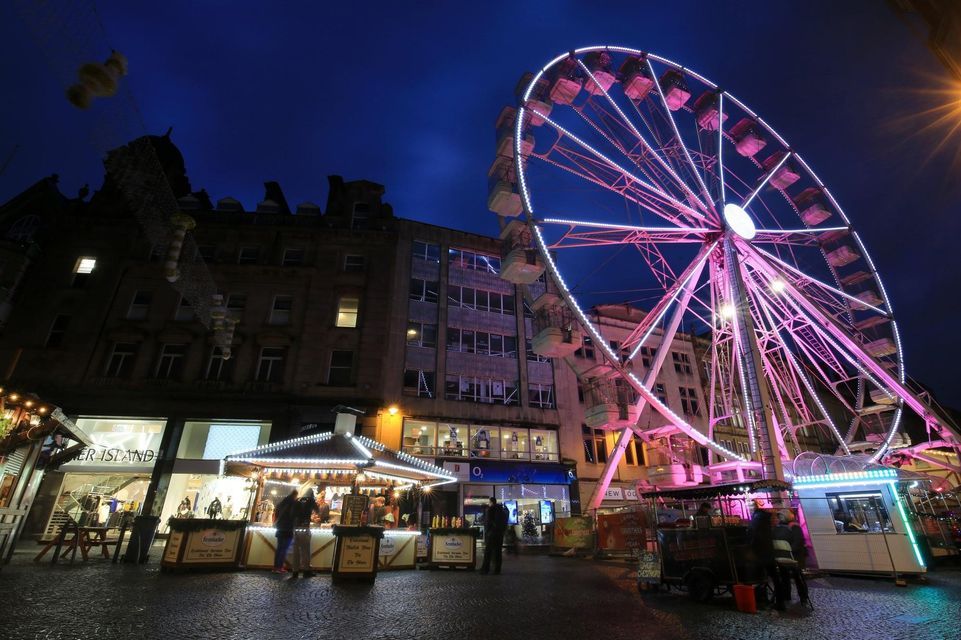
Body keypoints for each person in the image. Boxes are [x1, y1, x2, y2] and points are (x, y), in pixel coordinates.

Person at [747, 499, 785, 611]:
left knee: (757, 576)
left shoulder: (756, 519)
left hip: (760, 553)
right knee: (774, 577)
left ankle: (761, 599)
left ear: (753, 507)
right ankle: (779, 601)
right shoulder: (764, 518)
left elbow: (754, 536)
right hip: (769, 552)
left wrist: (751, 548)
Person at [773, 511, 810, 606]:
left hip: (795, 557)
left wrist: (789, 550)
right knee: (785, 576)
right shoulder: (779, 527)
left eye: (781, 516)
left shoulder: (794, 527)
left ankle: (803, 597)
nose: (779, 518)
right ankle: (787, 595)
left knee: (797, 577)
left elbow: (797, 542)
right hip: (784, 556)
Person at [290, 489, 321, 579]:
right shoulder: (311, 500)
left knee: (296, 552)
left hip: (296, 529)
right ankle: (306, 571)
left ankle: (295, 572)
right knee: (305, 551)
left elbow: (291, 514)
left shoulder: (297, 500)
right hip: (305, 528)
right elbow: (317, 511)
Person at [480, 497, 508, 575]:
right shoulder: (502, 511)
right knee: (498, 552)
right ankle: (497, 569)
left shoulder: (491, 510)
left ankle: (485, 569)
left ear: (491, 502)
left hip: (492, 534)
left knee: (488, 552)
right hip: (500, 534)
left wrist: (488, 532)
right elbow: (505, 523)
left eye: (489, 503)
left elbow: (488, 522)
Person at [272, 489, 298, 574]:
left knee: (279, 548)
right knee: (284, 548)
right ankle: (279, 567)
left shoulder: (282, 502)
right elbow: (293, 516)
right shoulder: (293, 503)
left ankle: (276, 567)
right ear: (296, 495)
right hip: (287, 528)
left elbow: (276, 512)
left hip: (279, 527)